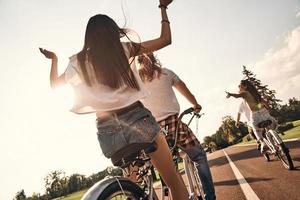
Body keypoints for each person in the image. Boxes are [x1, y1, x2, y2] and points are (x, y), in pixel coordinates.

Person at [39, 1, 189, 199]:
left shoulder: (78, 61)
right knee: (174, 181)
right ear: (112, 32)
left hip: (108, 134)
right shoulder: (124, 49)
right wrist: (163, 7)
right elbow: (165, 40)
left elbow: (55, 85)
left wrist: (54, 60)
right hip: (139, 121)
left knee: (133, 185)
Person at [137, 53, 216, 200]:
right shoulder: (166, 73)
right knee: (199, 156)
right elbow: (184, 88)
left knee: (167, 169)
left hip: (153, 131)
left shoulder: (137, 82)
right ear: (155, 59)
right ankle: (210, 197)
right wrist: (195, 104)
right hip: (174, 125)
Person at [226, 80, 276, 153]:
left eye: (240, 86)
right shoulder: (255, 93)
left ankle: (263, 143)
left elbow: (237, 96)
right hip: (265, 112)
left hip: (255, 115)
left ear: (245, 86)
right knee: (271, 125)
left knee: (255, 128)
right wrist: (269, 108)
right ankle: (275, 141)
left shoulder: (245, 93)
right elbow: (264, 101)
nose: (239, 87)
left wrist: (230, 94)